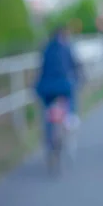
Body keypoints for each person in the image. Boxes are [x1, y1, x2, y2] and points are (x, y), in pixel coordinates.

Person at [35, 25, 83, 154]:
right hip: (63, 86)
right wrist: (80, 79)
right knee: (71, 101)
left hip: (46, 88)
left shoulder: (46, 49)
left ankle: (48, 135)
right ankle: (70, 120)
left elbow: (41, 70)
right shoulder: (66, 48)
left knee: (47, 110)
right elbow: (75, 66)